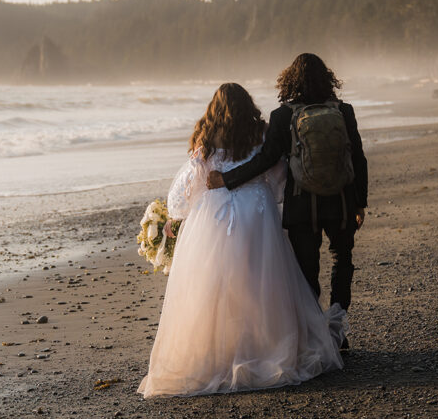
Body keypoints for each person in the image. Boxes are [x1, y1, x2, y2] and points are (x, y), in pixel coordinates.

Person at [138, 83, 344, 398]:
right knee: (261, 283)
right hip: (256, 211)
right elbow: (277, 173)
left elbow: (187, 188)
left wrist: (176, 216)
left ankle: (221, 353)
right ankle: (264, 347)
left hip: (215, 214)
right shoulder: (260, 132)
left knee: (216, 286)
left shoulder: (206, 136)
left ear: (214, 107)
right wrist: (265, 193)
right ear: (248, 105)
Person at [207, 53, 367, 350]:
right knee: (342, 261)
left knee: (307, 269)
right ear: (327, 77)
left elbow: (266, 161)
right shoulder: (344, 111)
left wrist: (227, 180)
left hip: (302, 203)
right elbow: (357, 157)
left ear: (289, 80)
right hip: (342, 201)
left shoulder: (283, 116)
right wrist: (361, 202)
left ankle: (315, 331)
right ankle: (338, 328)